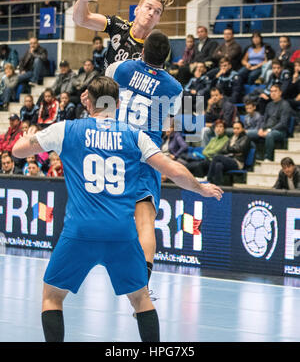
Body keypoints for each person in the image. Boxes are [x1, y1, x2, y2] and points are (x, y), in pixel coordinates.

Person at [12, 76, 223, 343]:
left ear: (88, 100)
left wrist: (28, 137)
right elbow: (173, 171)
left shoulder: (66, 129)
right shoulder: (135, 135)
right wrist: (201, 188)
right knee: (141, 299)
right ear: (119, 103)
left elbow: (17, 151)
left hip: (80, 232)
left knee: (52, 296)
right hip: (121, 233)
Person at [104, 31, 183, 283]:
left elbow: (104, 92)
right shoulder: (175, 87)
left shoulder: (120, 68)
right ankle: (142, 285)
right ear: (167, 57)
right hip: (144, 155)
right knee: (145, 221)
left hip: (112, 149)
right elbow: (172, 122)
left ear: (142, 50)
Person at [73, 0, 173, 71]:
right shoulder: (119, 26)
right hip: (106, 88)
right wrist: (82, 0)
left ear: (158, 19)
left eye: (157, 12)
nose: (151, 13)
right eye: (149, 7)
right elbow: (81, 20)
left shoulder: (154, 48)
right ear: (136, 10)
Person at [247, 84, 291, 161]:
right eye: (271, 91)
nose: (273, 93)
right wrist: (261, 128)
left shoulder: (285, 105)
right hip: (266, 129)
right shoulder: (269, 104)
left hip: (279, 131)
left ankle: (268, 158)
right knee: (247, 133)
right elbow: (264, 120)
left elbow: (283, 123)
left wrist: (269, 130)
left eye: (275, 91)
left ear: (280, 92)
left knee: (269, 135)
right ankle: (257, 155)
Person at [207, 120, 251, 185]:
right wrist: (232, 150)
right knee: (218, 165)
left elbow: (239, 149)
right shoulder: (232, 138)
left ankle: (209, 179)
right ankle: (218, 185)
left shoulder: (246, 138)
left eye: (238, 128)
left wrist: (229, 149)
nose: (235, 130)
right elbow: (222, 150)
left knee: (217, 157)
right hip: (229, 159)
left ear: (242, 129)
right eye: (234, 128)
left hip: (237, 162)